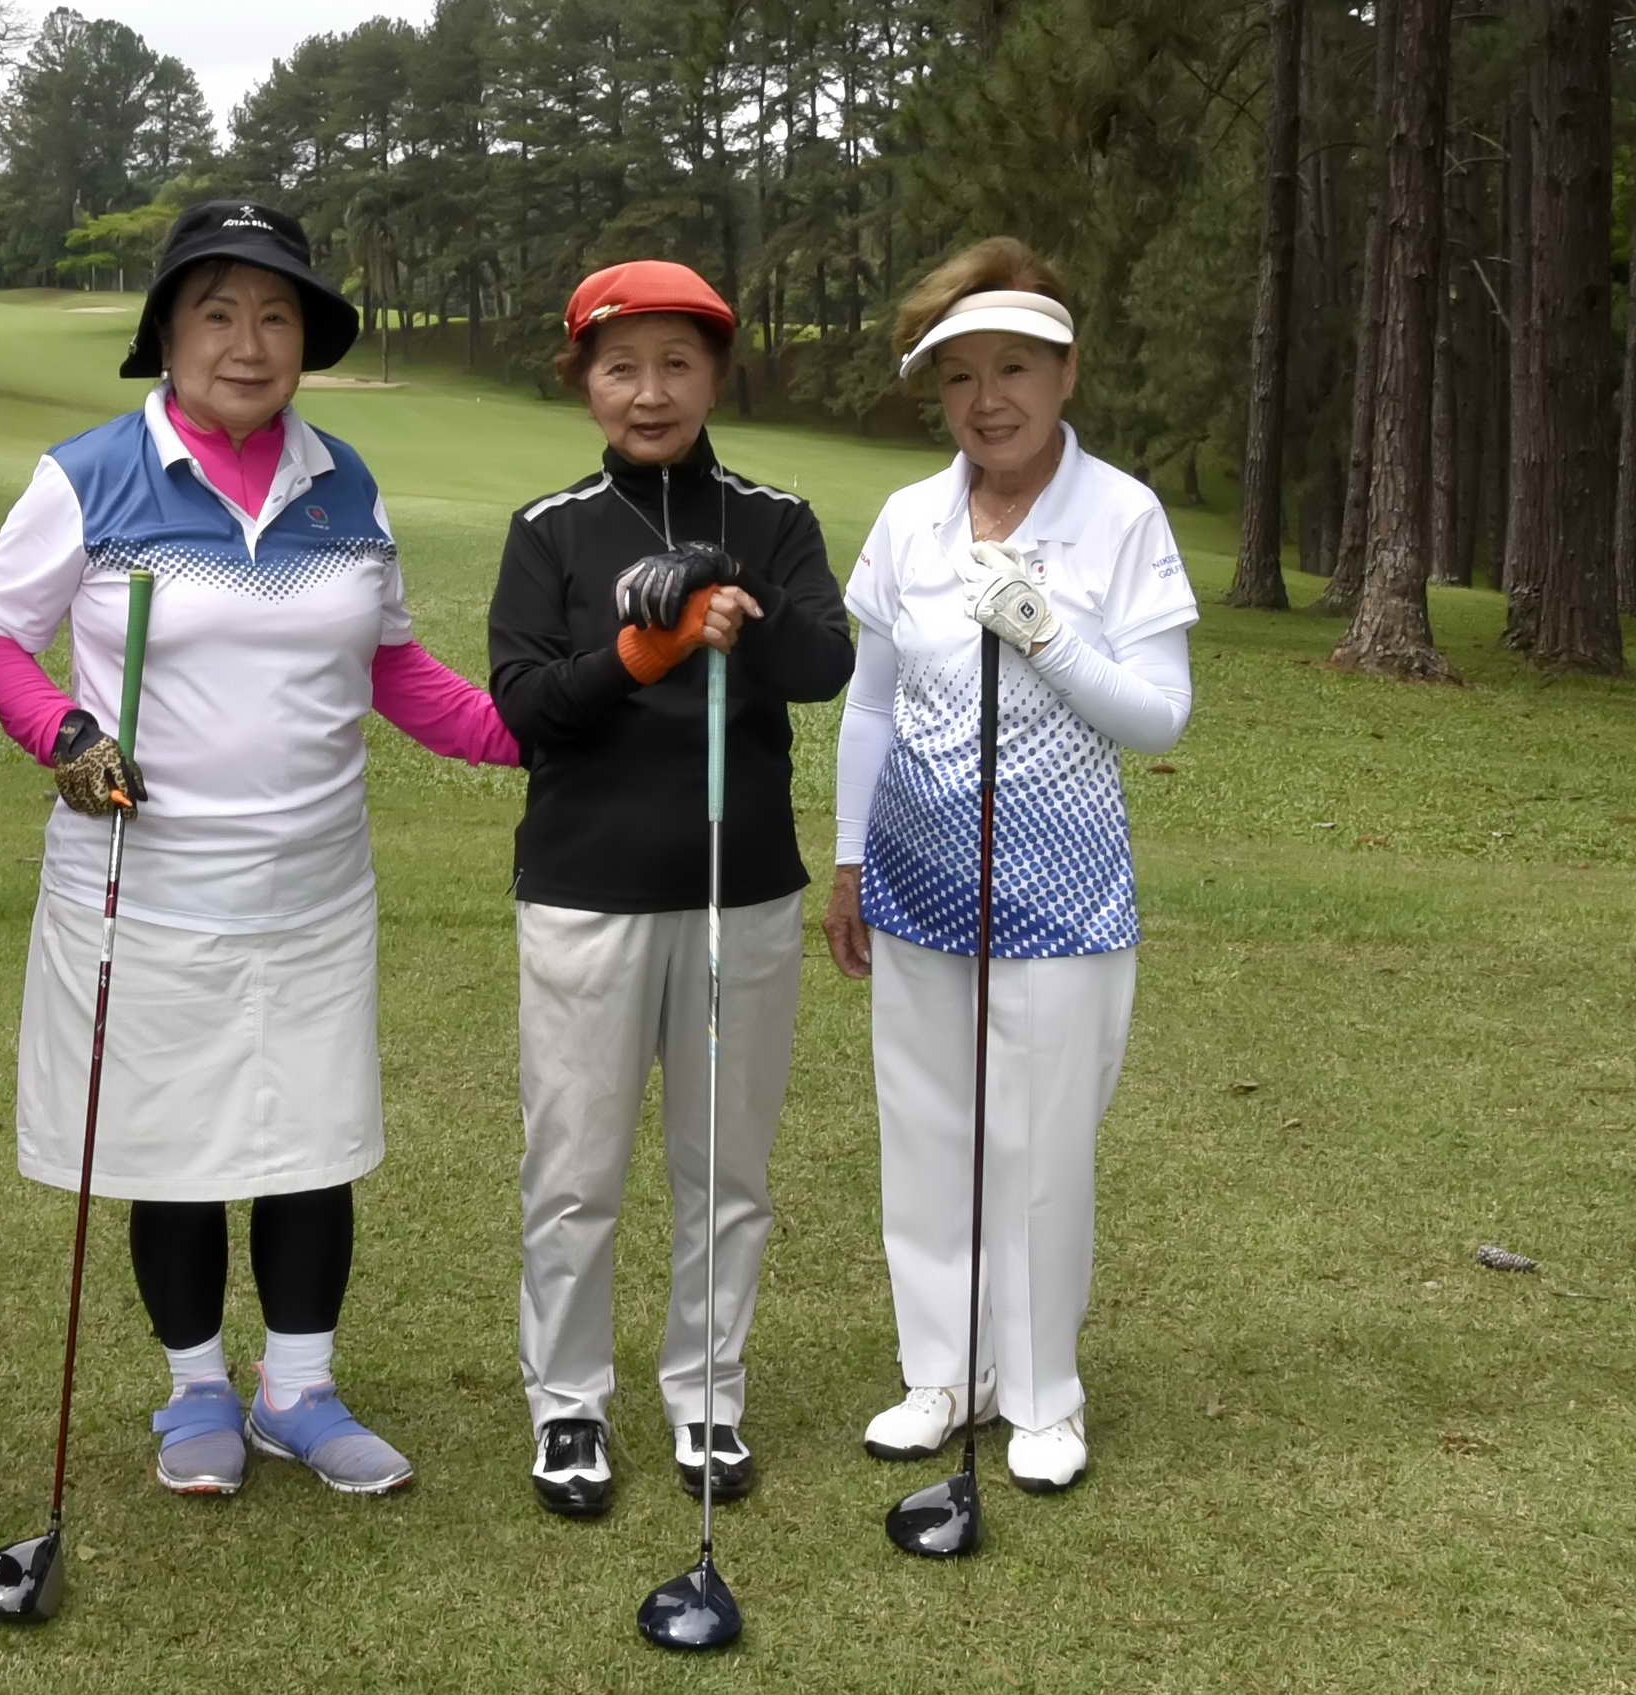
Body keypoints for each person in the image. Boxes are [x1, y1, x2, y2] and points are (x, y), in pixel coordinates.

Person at [0, 199, 518, 1499]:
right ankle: (196, 1389)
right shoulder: (89, 475)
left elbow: (395, 669)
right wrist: (62, 733)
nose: (248, 341)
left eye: (277, 315)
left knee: (310, 1144)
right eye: (216, 312)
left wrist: (532, 734)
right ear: (166, 331)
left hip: (314, 887)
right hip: (145, 885)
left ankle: (299, 1390)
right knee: (171, 1149)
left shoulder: (344, 482)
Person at [825, 236, 1197, 1492]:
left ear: (1065, 372)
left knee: (1037, 1149)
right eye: (960, 376)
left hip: (1061, 889)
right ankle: (941, 1375)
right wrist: (848, 862)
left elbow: (1160, 717)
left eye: (1015, 369)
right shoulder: (908, 519)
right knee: (926, 1133)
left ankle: (1041, 1394)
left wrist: (1047, 638)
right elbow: (870, 704)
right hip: (916, 875)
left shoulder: (1120, 514)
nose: (988, 400)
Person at [488, 262, 853, 1518]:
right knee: (574, 1172)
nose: (649, 393)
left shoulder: (773, 519)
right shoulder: (548, 531)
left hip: (736, 891)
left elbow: (822, 666)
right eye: (620, 367)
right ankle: (568, 1404)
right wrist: (642, 650)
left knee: (725, 1173)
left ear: (715, 377)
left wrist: (731, 591)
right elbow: (529, 708)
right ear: (584, 381)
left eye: (677, 365)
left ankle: (707, 1397)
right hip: (586, 892)